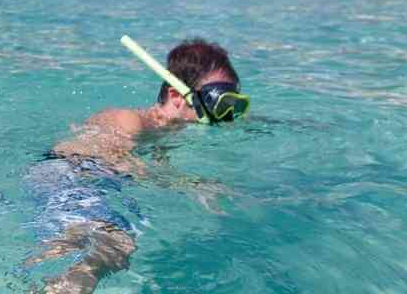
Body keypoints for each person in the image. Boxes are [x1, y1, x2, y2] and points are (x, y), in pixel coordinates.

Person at [26, 40, 247, 293]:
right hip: (70, 174)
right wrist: (193, 184)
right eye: (220, 102)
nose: (226, 116)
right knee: (114, 243)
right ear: (176, 96)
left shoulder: (166, 132)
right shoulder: (130, 120)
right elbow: (128, 164)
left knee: (80, 247)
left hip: (92, 182)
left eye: (234, 106)